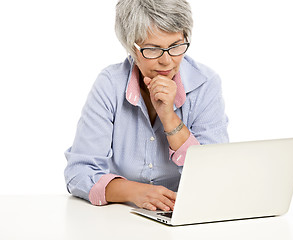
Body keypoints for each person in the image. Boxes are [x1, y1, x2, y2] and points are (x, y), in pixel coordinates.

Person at [64, 0, 229, 211]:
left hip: (186, 214)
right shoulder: (110, 84)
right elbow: (79, 172)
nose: (167, 61)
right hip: (120, 215)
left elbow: (216, 173)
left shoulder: (205, 83)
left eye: (176, 46)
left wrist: (169, 117)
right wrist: (135, 191)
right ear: (131, 47)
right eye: (153, 49)